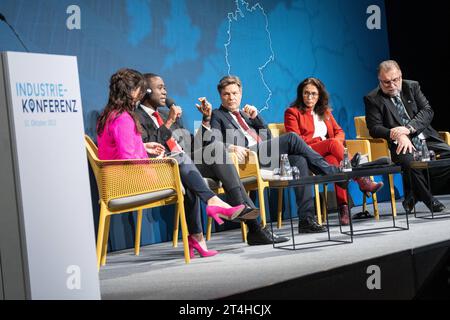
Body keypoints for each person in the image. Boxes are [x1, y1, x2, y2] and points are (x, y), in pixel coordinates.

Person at [96, 68, 246, 259]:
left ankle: (199, 235)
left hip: (122, 176)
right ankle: (212, 204)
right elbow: (129, 158)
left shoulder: (110, 115)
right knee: (180, 162)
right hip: (130, 180)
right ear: (131, 91)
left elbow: (124, 150)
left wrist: (144, 146)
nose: (141, 94)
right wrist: (154, 157)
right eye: (140, 90)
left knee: (184, 169)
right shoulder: (124, 118)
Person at [135, 73, 289, 245]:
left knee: (216, 149)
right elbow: (149, 148)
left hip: (187, 162)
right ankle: (254, 227)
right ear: (146, 91)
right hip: (166, 167)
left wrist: (206, 120)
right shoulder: (137, 117)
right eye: (160, 88)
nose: (165, 92)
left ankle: (250, 223)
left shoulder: (164, 114)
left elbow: (194, 146)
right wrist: (169, 122)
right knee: (217, 149)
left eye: (165, 87)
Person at [203, 75, 352, 233]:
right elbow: (211, 142)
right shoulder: (217, 115)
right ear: (221, 96)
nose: (231, 98)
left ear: (241, 93)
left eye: (234, 93)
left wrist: (257, 118)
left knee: (299, 159)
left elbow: (269, 138)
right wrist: (230, 147)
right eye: (227, 94)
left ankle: (306, 219)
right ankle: (330, 172)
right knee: (292, 138)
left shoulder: (247, 115)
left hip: (265, 155)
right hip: (248, 159)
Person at [285, 77, 384, 225]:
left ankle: (343, 208)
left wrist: (335, 143)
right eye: (306, 93)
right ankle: (362, 179)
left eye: (313, 94)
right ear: (301, 94)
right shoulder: (292, 112)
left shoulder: (324, 112)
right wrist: (328, 143)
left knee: (335, 161)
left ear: (319, 96)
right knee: (332, 144)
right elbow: (296, 140)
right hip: (306, 152)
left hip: (327, 153)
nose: (310, 97)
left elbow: (340, 132)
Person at [364, 60, 450, 213]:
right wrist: (395, 134)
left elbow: (427, 111)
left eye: (395, 80)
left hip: (424, 137)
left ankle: (414, 193)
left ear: (401, 76)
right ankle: (429, 200)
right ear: (379, 80)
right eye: (386, 82)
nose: (392, 85)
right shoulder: (373, 98)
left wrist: (408, 129)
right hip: (401, 144)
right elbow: (374, 127)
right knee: (410, 162)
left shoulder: (412, 87)